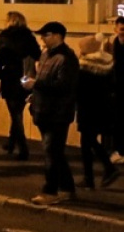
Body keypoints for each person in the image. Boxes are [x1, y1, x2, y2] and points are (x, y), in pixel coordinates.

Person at [28, 22, 79, 206]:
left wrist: (36, 85)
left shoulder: (66, 58)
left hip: (57, 112)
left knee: (51, 151)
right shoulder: (45, 55)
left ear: (58, 36)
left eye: (46, 34)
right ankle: (68, 188)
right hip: (43, 109)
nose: (42, 38)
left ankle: (50, 190)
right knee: (55, 152)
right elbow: (42, 78)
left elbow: (64, 86)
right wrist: (33, 96)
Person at [72, 35, 119, 190]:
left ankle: (107, 169)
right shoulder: (108, 64)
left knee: (88, 141)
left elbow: (78, 90)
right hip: (104, 107)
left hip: (88, 108)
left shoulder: (84, 67)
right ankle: (90, 178)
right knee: (87, 142)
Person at [0, 11, 41, 160]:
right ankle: (11, 142)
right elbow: (37, 54)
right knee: (17, 111)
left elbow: (1, 58)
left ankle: (23, 149)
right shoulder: (29, 37)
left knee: (15, 114)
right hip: (25, 77)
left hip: (10, 77)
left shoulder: (4, 37)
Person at [109, 16, 124, 167]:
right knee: (117, 120)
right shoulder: (114, 43)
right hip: (117, 86)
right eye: (120, 29)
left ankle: (120, 151)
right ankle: (119, 150)